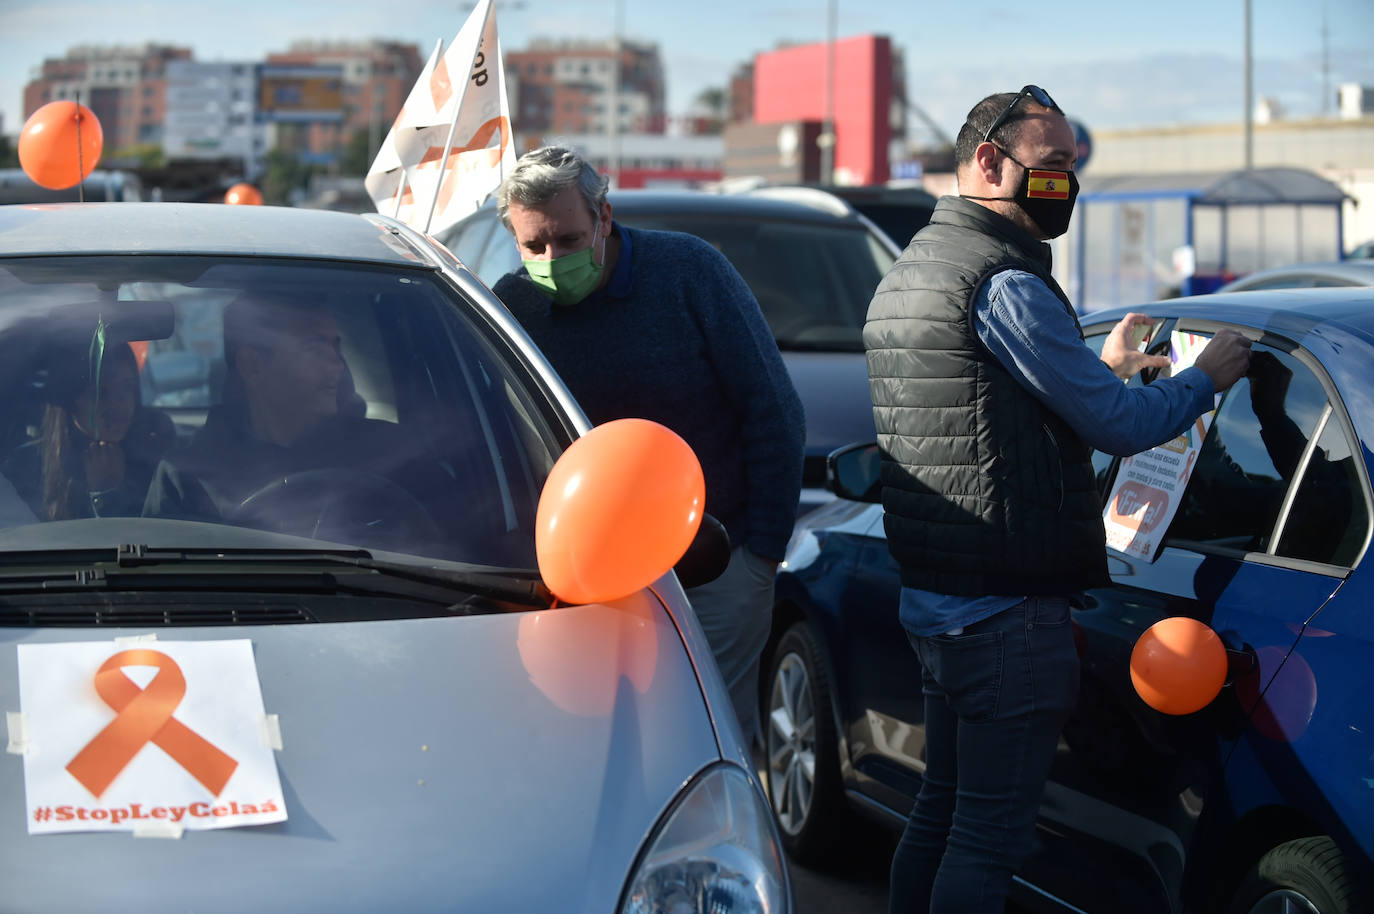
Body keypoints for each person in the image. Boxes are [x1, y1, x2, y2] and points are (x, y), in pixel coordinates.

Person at [863, 86, 1252, 913]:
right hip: (1005, 615)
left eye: (1074, 169)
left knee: (938, 817)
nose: (1066, 186)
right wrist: (1201, 383)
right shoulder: (1001, 280)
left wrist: (1100, 368)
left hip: (941, 601)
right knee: (984, 841)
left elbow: (985, 414)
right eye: (1053, 167)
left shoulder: (915, 269)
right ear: (988, 161)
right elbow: (1113, 426)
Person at [491, 145, 805, 746]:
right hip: (581, 587)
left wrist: (760, 554)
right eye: (534, 246)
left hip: (715, 574)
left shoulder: (690, 272)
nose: (552, 259)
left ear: (604, 218)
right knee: (598, 746)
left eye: (568, 239)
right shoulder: (515, 306)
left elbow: (773, 409)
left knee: (710, 742)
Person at [142, 292, 441, 551]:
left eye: (336, 347)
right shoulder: (187, 477)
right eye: (314, 349)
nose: (337, 365)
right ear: (253, 366)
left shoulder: (394, 454)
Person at [5, 339, 172, 520]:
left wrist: (107, 494)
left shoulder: (157, 461)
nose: (120, 403)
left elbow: (160, 540)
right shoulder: (26, 467)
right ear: (70, 399)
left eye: (127, 387)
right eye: (100, 391)